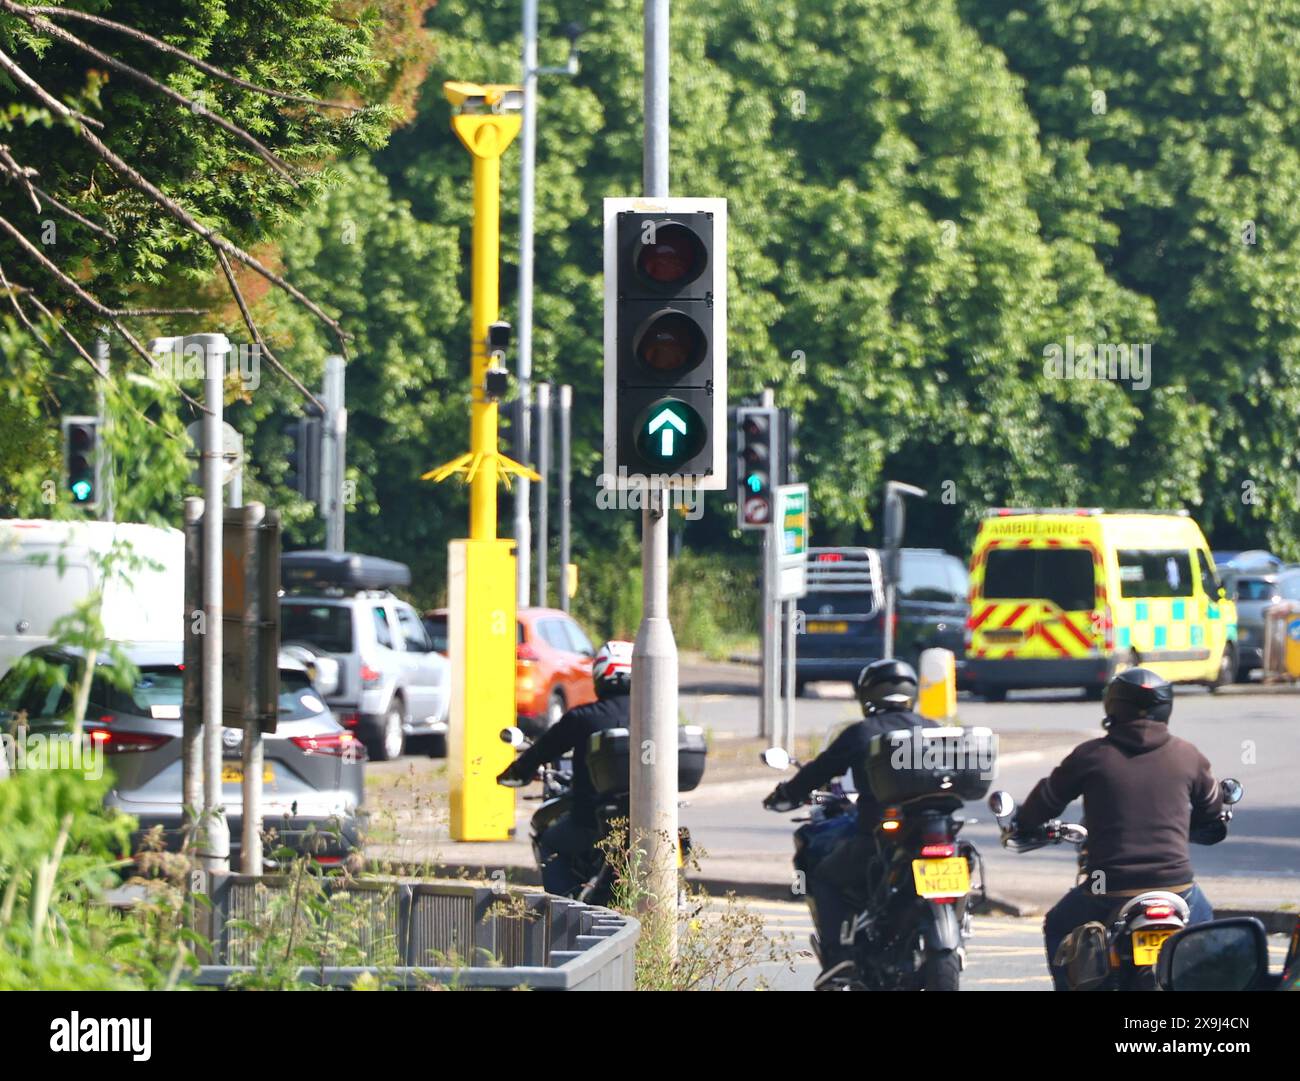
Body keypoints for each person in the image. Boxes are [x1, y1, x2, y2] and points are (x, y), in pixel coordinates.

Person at [1012, 667, 1223, 990]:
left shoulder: (1091, 756)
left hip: (1108, 890)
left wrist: (1024, 824)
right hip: (1177, 888)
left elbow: (1046, 801)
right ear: (1166, 707)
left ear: (1113, 706)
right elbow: (1213, 812)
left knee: (1057, 924)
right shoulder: (1188, 755)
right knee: (1206, 927)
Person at [764, 658, 938, 978]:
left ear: (868, 695)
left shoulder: (863, 733)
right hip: (934, 831)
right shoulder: (934, 729)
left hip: (878, 837)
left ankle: (839, 956)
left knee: (823, 874)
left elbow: (819, 770)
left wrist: (786, 794)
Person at [496, 640, 633, 896]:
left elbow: (541, 750)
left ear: (600, 675)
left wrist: (517, 771)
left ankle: (562, 912)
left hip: (591, 820)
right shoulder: (657, 718)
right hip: (650, 820)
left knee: (550, 841)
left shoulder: (584, 717)